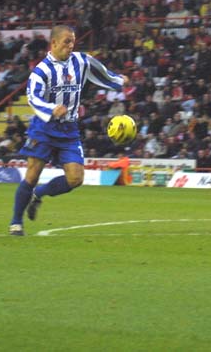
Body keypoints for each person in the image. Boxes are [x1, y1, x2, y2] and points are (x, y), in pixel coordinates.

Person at [9, 25, 128, 235]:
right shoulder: (41, 71)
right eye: (66, 41)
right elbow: (33, 98)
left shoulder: (81, 61)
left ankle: (39, 195)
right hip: (44, 128)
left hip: (69, 129)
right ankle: (16, 222)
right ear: (53, 43)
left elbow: (100, 72)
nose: (70, 46)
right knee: (32, 174)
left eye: (73, 41)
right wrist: (51, 109)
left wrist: (118, 80)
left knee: (76, 178)